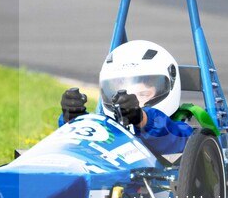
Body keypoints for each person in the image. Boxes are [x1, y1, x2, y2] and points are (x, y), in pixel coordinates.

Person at [59, 40, 193, 159]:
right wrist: (74, 119)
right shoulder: (107, 129)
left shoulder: (182, 132)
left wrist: (142, 118)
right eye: (124, 96)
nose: (131, 101)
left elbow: (175, 140)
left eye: (142, 94)